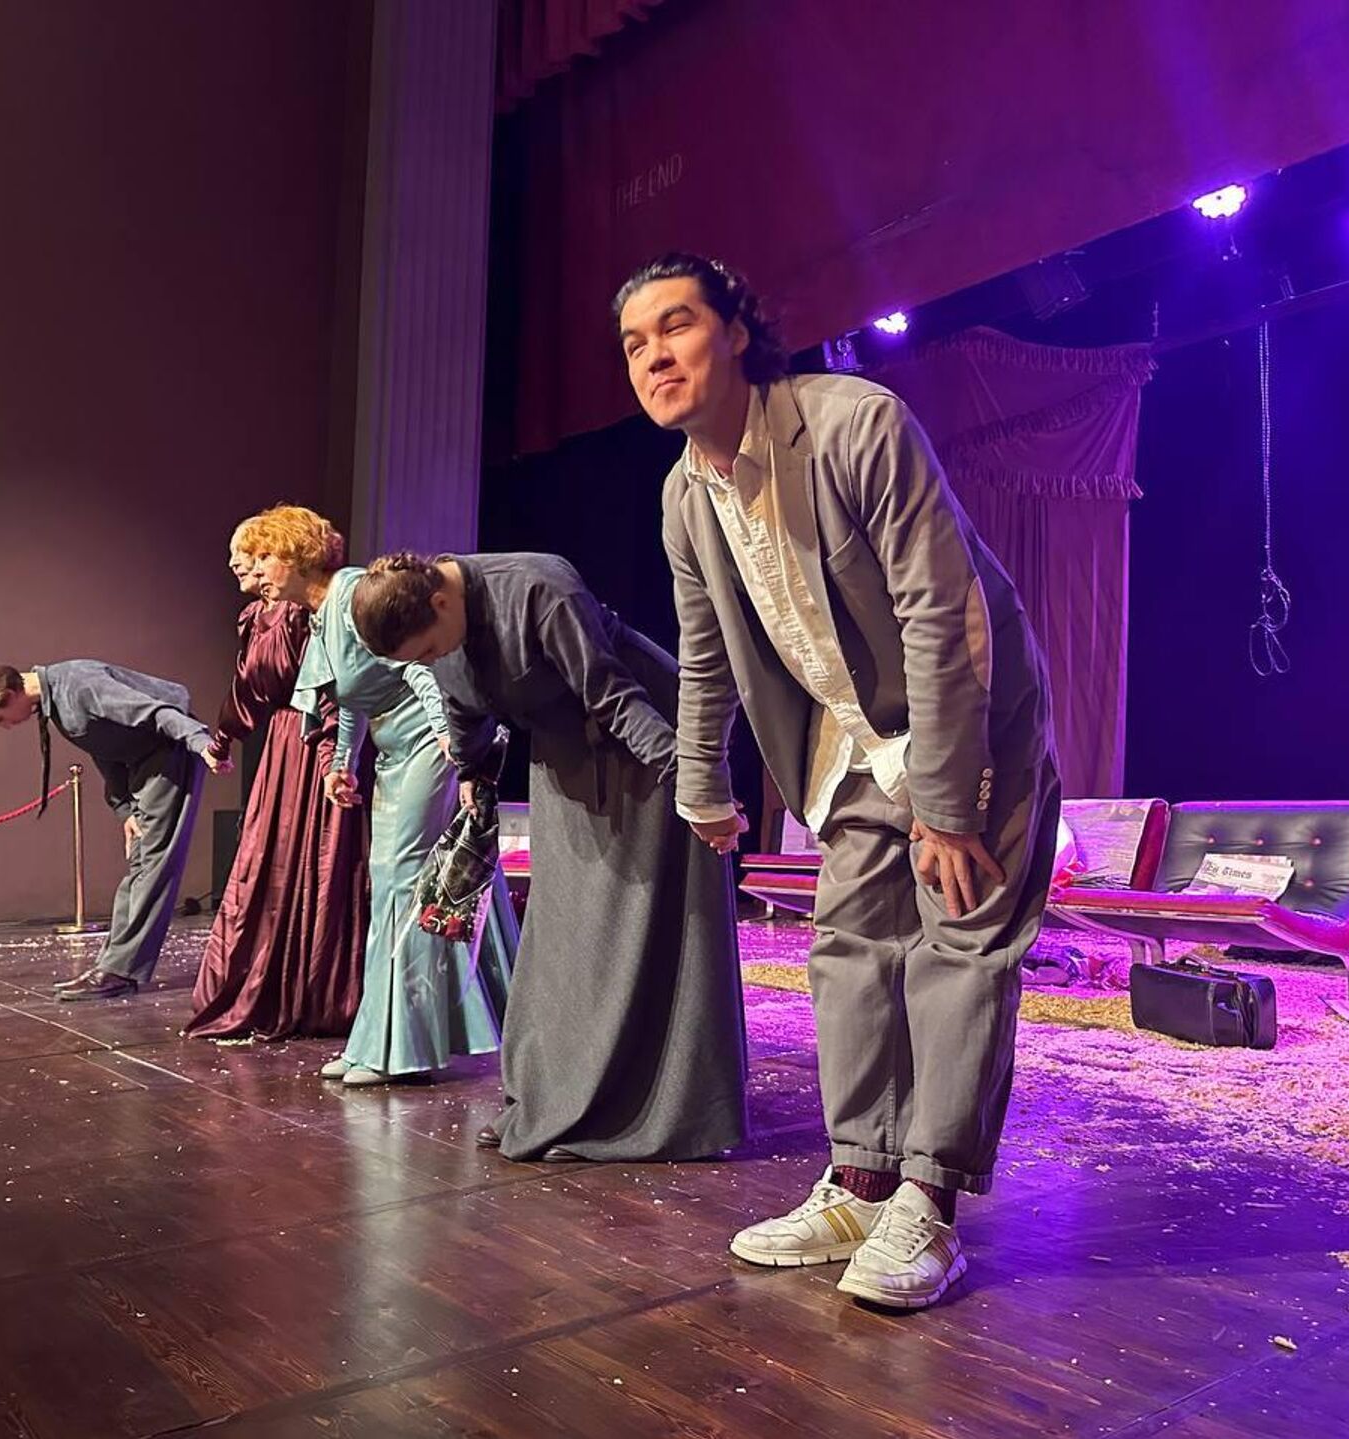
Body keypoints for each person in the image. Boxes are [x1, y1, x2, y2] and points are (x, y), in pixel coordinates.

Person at [617, 252, 1059, 1309]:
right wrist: (700, 783)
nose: (654, 357)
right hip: (850, 735)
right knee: (849, 949)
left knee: (960, 946)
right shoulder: (685, 495)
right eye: (633, 344)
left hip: (969, 716)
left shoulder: (856, 423)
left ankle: (928, 1202)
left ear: (735, 331)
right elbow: (707, 650)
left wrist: (947, 804)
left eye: (675, 326)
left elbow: (943, 613)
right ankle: (861, 1182)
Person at [353, 551, 748, 1162]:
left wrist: (696, 785)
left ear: (440, 602)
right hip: (565, 758)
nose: (430, 662)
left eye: (427, 650)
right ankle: (555, 1098)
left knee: (639, 928)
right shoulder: (444, 630)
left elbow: (614, 697)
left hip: (645, 746)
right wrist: (473, 772)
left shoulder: (539, 589)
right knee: (565, 932)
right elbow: (463, 707)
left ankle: (641, 1112)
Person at [236, 504, 514, 1085]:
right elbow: (355, 697)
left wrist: (453, 741)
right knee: (394, 884)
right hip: (393, 754)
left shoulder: (355, 593)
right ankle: (382, 1039)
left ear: (298, 555)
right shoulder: (321, 613)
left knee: (403, 881)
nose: (253, 570)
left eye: (264, 557)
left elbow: (420, 668)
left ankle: (400, 1050)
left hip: (428, 747)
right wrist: (341, 766)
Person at [181, 532, 373, 1039]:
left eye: (249, 555)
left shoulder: (300, 614)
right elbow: (247, 689)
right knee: (275, 858)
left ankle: (316, 990)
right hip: (285, 744)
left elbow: (329, 684)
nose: (236, 564)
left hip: (314, 739)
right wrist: (222, 739)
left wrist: (333, 756)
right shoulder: (259, 616)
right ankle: (273, 980)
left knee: (318, 858)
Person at [0, 660, 227, 1000]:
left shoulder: (78, 685)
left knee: (153, 867)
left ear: (9, 694)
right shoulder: (57, 703)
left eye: (0, 719)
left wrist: (202, 742)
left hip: (171, 752)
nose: (6, 727)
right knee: (141, 865)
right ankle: (114, 966)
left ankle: (119, 970)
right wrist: (125, 809)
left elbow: (154, 712)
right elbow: (106, 750)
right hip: (145, 763)